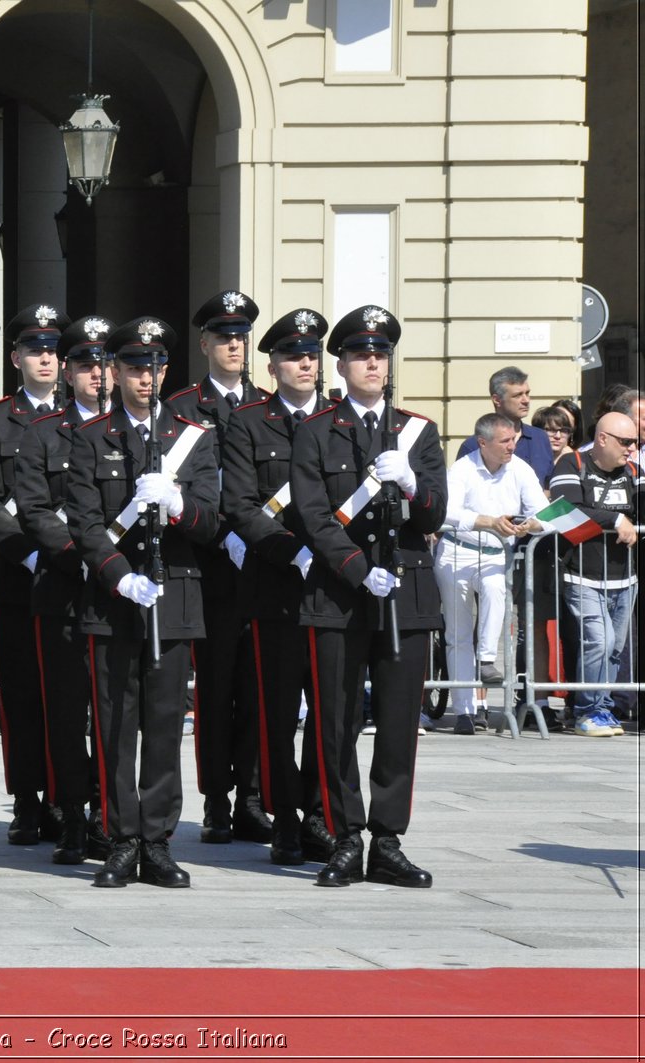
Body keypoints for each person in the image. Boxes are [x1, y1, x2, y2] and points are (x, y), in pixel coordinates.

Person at [291, 305, 447, 889]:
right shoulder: (315, 430)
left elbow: (436, 509)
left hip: (406, 592)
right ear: (342, 363)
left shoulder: (417, 432)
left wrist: (410, 481)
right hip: (339, 593)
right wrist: (359, 570)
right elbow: (312, 516)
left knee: (401, 720)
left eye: (380, 354)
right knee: (334, 720)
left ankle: (387, 839)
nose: (373, 363)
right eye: (361, 354)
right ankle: (343, 835)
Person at [68, 315, 218, 889]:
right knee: (113, 724)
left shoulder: (193, 438)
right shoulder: (90, 439)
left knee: (162, 724)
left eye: (155, 368)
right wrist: (119, 577)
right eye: (134, 367)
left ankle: (156, 840)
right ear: (114, 373)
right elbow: (84, 524)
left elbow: (211, 521)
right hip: (114, 602)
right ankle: (120, 838)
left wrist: (179, 503)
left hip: (174, 596)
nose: (146, 378)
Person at [220, 308, 334, 866]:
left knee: (330, 711)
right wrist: (293, 550)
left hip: (336, 587)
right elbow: (240, 505)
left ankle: (318, 813)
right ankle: (283, 818)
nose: (305, 364)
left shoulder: (341, 419)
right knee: (276, 710)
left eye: (312, 354)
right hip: (275, 585)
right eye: (294, 355)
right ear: (272, 364)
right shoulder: (247, 422)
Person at [167, 290, 272, 847]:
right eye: (224, 336)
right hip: (208, 564)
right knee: (215, 685)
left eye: (241, 336)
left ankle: (254, 795)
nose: (234, 344)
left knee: (258, 683)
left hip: (259, 562)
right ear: (204, 343)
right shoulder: (182, 408)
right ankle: (217, 801)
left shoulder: (268, 403)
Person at [12, 319, 112, 864]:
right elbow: (34, 509)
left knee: (115, 711)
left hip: (119, 593)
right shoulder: (45, 432)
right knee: (69, 712)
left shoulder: (136, 430)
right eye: (84, 365)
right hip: (65, 587)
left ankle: (110, 814)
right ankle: (74, 815)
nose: (95, 375)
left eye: (102, 364)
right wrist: (87, 556)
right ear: (69, 374)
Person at [0, 304, 71, 846]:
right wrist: (32, 553)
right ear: (15, 357)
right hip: (17, 572)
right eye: (34, 349)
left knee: (64, 693)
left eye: (52, 350)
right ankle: (28, 798)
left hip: (68, 573)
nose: (45, 359)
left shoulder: (80, 414)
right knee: (19, 694)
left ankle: (65, 794)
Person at [548, 411, 645, 736]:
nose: (632, 448)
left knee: (614, 648)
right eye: (625, 442)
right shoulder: (571, 463)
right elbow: (564, 510)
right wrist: (615, 520)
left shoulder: (633, 470)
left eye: (634, 442)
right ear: (602, 439)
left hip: (623, 578)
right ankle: (588, 711)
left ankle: (601, 708)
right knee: (598, 642)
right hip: (582, 575)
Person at [436, 414, 548, 734]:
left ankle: (486, 660)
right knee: (457, 634)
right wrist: (488, 521)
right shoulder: (462, 469)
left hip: (496, 554)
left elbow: (546, 511)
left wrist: (533, 524)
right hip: (457, 552)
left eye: (513, 439)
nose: (512, 446)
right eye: (505, 441)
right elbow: (447, 511)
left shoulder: (520, 469)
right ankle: (464, 711)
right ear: (483, 443)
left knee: (496, 588)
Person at [455, 367, 555, 486]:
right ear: (497, 400)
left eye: (527, 393)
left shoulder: (540, 437)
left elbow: (549, 485)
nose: (526, 400)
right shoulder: (473, 445)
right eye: (518, 395)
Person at [533, 405, 576, 471]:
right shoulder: (527, 458)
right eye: (551, 430)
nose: (558, 436)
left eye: (563, 431)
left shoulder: (576, 462)